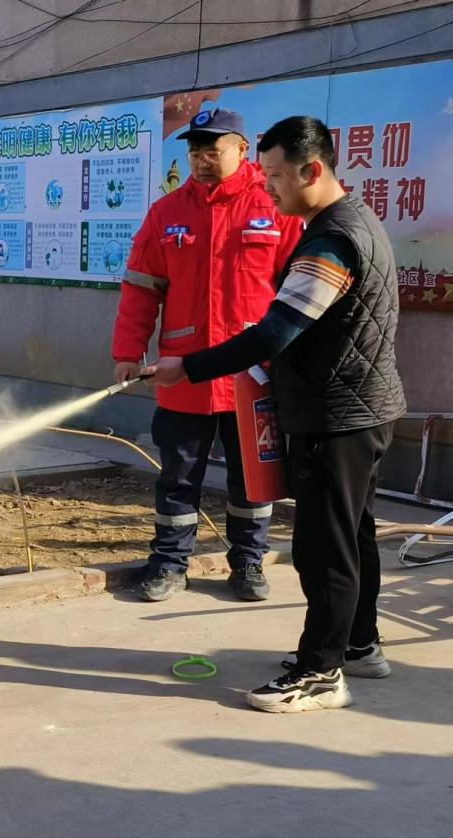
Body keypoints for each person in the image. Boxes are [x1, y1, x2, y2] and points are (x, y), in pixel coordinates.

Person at [148, 115, 406, 713]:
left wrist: (186, 366)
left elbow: (274, 333)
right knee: (355, 536)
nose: (268, 189)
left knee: (324, 547)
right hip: (361, 410)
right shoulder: (354, 221)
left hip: (336, 416)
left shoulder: (333, 239)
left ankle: (320, 673)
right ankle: (359, 644)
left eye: (276, 176)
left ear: (313, 171)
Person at [113, 107, 303, 603]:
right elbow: (140, 289)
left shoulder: (275, 207)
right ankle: (170, 563)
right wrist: (128, 351)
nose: (202, 160)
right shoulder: (167, 213)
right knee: (177, 476)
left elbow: (299, 293)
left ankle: (248, 564)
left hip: (252, 374)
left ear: (243, 150)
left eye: (213, 150)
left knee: (253, 478)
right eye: (195, 151)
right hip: (185, 375)